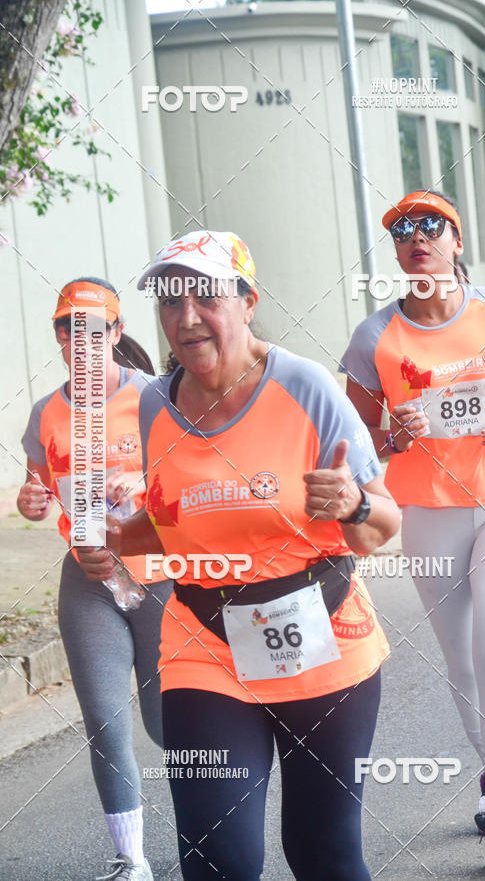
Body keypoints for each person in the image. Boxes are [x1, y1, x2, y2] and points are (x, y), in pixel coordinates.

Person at [77, 231, 401, 881]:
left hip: (325, 642)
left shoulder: (306, 387)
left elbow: (382, 527)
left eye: (206, 295)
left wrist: (352, 506)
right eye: (170, 301)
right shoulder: (154, 404)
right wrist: (112, 545)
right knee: (216, 857)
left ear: (248, 301)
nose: (186, 316)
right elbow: (177, 527)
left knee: (324, 855)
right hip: (206, 648)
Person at [340, 191, 485, 868]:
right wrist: (389, 434)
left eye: (430, 225)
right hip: (429, 512)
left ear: (455, 240)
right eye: (402, 232)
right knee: (462, 664)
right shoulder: (377, 338)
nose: (416, 238)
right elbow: (355, 443)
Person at [18, 278, 172, 881]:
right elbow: (40, 491)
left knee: (168, 726)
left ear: (114, 332)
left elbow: (192, 475)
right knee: (105, 723)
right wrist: (33, 501)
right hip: (88, 580)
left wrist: (143, 485)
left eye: (92, 327)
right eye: (66, 328)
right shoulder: (46, 413)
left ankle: (214, 820)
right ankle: (131, 860)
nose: (78, 339)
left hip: (161, 576)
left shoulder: (158, 396)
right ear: (57, 336)